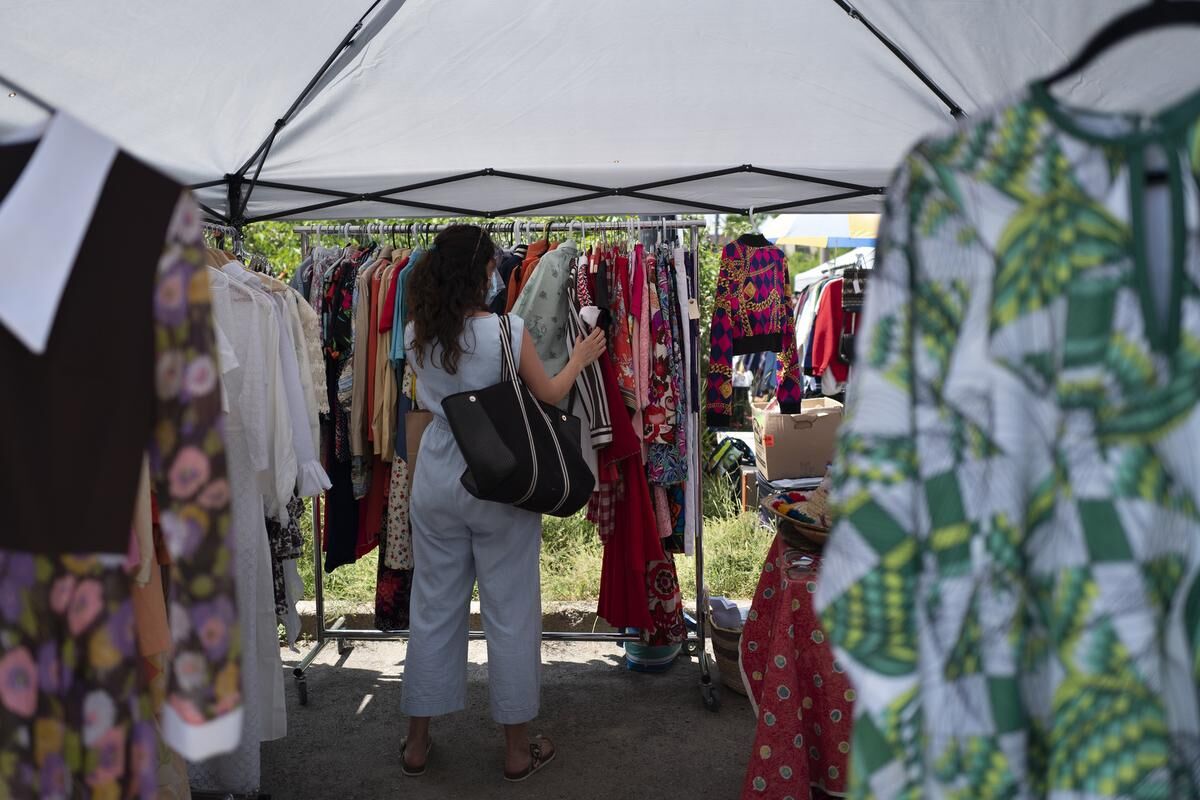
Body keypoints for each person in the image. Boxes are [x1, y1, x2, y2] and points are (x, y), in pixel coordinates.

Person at [400, 224, 606, 782]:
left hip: (439, 471)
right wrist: (582, 355)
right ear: (480, 271)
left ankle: (417, 743)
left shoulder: (418, 331)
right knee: (510, 612)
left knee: (434, 607)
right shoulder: (505, 329)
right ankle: (516, 750)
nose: (498, 272)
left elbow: (427, 403)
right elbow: (551, 393)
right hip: (499, 473)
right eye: (493, 265)